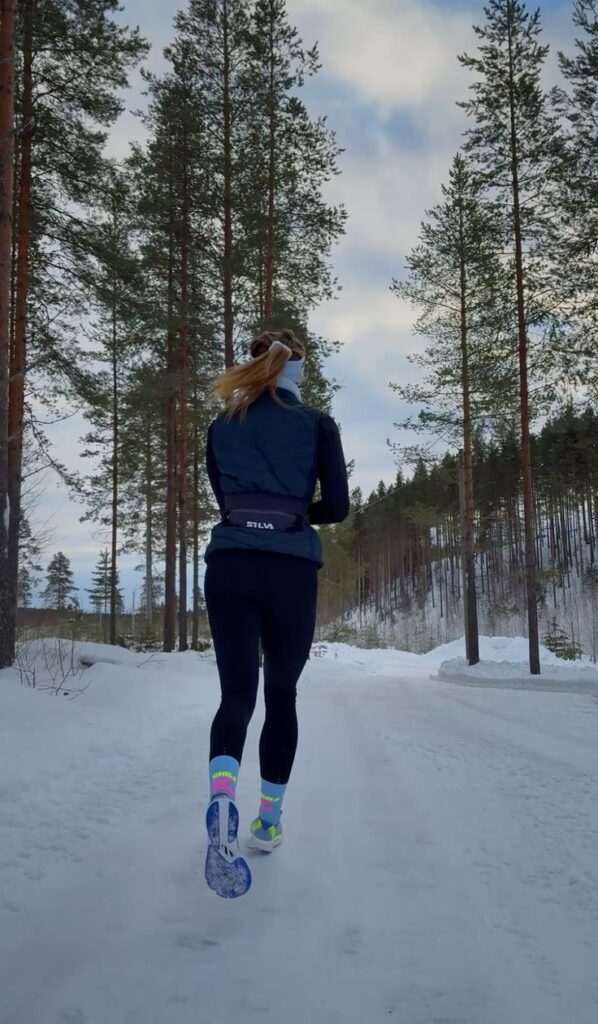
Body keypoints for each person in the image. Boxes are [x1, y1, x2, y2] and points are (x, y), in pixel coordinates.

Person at [203, 327, 350, 898]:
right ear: (297, 370)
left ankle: (220, 800)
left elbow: (224, 498)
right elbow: (335, 507)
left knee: (235, 696)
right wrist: (293, 511)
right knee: (280, 695)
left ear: (255, 366)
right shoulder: (318, 424)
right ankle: (267, 821)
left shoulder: (222, 426)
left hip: (232, 565)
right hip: (290, 570)